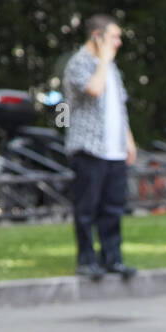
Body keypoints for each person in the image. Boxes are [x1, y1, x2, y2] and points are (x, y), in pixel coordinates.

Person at [61, 14, 138, 280]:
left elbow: (119, 106)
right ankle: (86, 260)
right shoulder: (79, 64)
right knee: (87, 208)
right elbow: (94, 89)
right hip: (89, 148)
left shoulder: (112, 68)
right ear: (97, 36)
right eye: (113, 37)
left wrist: (128, 140)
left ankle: (112, 259)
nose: (118, 43)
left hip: (113, 149)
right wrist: (103, 60)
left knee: (113, 207)